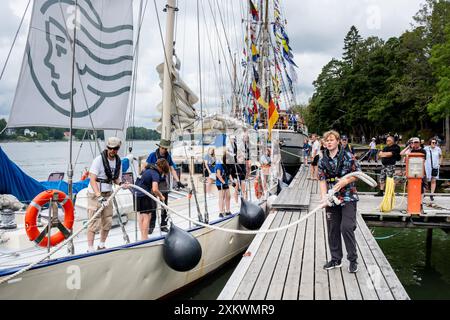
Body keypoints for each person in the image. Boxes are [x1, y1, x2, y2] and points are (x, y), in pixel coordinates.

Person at [318, 130, 361, 273]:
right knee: (333, 229)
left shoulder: (348, 156)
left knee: (346, 227)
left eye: (331, 140)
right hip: (332, 198)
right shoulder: (322, 160)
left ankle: (353, 260)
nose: (329, 142)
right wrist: (324, 198)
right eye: (326, 140)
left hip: (348, 196)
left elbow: (357, 174)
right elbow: (322, 180)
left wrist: (345, 181)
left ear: (337, 141)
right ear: (324, 143)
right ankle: (336, 259)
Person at [87, 137, 125, 252]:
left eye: (115, 149)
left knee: (108, 220)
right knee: (94, 221)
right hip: (95, 193)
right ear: (107, 147)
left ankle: (102, 245)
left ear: (118, 149)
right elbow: (92, 179)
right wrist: (99, 195)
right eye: (110, 148)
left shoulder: (118, 162)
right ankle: (90, 248)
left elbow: (116, 179)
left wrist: (122, 183)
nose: (112, 151)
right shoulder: (98, 160)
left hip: (108, 193)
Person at [146, 139, 185, 233]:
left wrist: (178, 181)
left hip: (163, 182)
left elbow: (172, 169)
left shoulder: (168, 156)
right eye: (163, 148)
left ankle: (163, 225)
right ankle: (151, 226)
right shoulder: (152, 155)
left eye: (166, 148)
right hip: (153, 182)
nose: (164, 150)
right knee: (152, 205)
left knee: (164, 204)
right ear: (159, 147)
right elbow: (146, 166)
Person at [134, 159, 170, 238]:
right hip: (144, 194)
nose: (162, 174)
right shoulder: (155, 173)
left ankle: (143, 236)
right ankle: (144, 238)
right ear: (161, 168)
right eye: (163, 172)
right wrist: (161, 196)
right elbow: (155, 189)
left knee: (141, 216)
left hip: (136, 193)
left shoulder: (147, 169)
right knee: (147, 216)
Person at [216, 153, 232, 217]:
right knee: (221, 197)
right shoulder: (219, 164)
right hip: (220, 183)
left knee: (228, 196)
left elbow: (229, 174)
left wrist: (232, 181)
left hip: (225, 182)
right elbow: (218, 175)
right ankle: (221, 212)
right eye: (228, 159)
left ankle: (228, 211)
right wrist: (223, 183)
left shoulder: (226, 165)